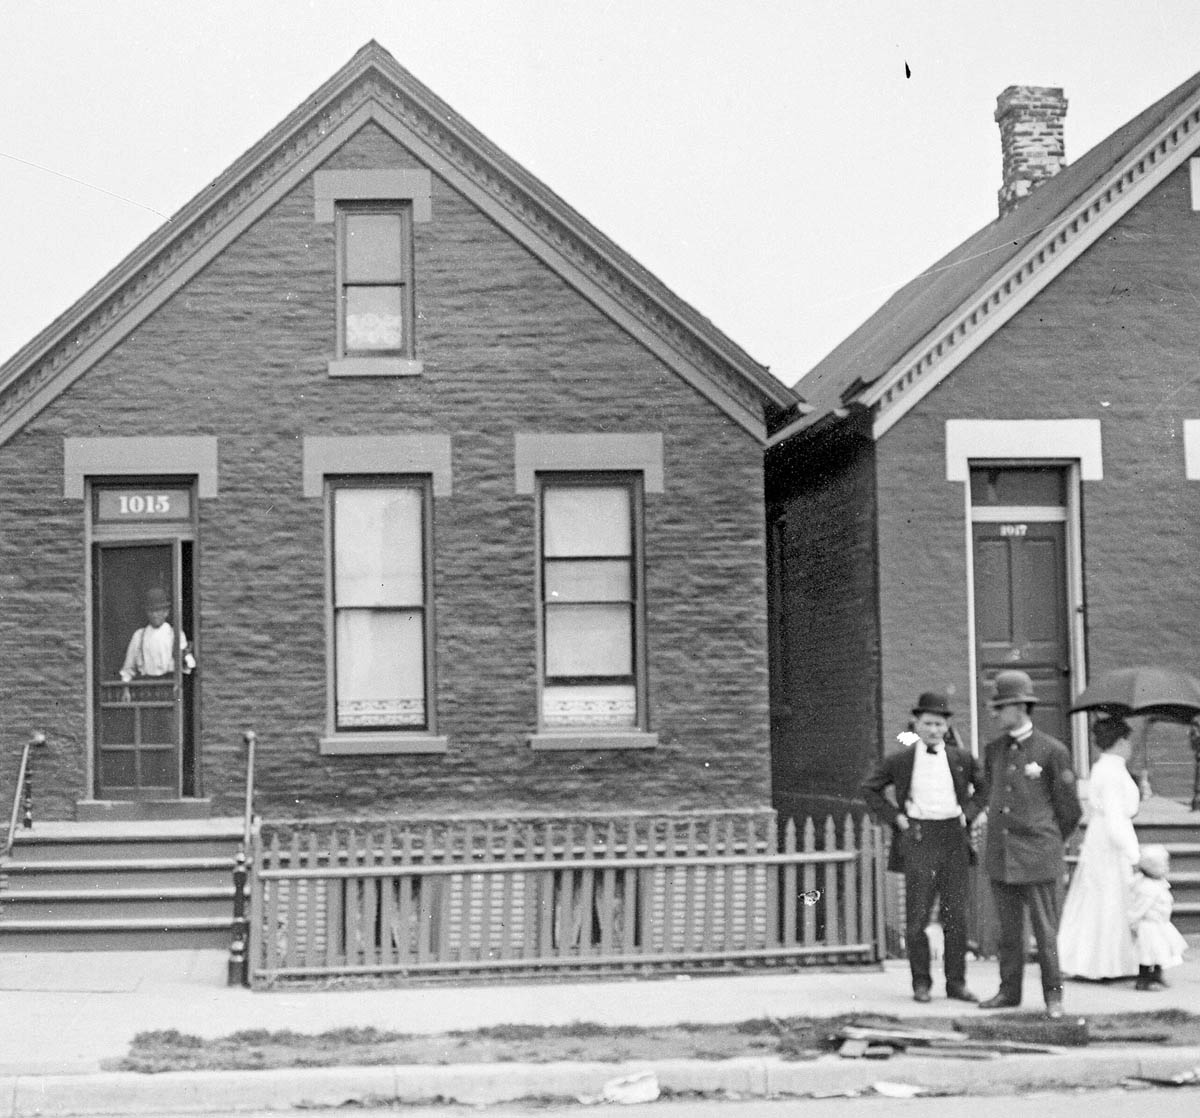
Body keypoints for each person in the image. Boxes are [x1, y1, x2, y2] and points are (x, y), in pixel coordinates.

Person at [861, 691, 988, 1003]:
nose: (934, 730)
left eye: (939, 724)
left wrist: (967, 815)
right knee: (917, 918)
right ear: (915, 725)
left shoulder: (961, 760)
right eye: (928, 723)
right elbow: (870, 789)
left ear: (946, 727)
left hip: (953, 838)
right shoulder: (901, 761)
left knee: (955, 917)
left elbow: (986, 788)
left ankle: (956, 984)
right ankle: (921, 984)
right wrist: (897, 819)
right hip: (919, 838)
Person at [979, 670, 1082, 1019]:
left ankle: (1054, 997)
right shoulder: (994, 750)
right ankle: (1009, 992)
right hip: (1002, 855)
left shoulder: (1052, 751)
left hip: (1038, 856)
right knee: (1008, 934)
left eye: (1000, 707)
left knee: (1045, 932)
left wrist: (1047, 842)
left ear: (1020, 707)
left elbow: (1069, 810)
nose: (994, 714)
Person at [1057, 716, 1141, 980]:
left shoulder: (1104, 767)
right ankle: (1104, 964)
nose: (1130, 745)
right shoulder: (1113, 770)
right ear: (1119, 741)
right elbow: (1116, 817)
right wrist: (1133, 854)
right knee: (1110, 896)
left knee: (1099, 896)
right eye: (1127, 740)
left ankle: (1097, 962)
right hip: (1110, 841)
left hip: (1100, 837)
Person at [1129, 844, 1189, 989]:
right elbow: (1139, 908)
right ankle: (1143, 980)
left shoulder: (1159, 883)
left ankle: (1156, 975)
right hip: (1149, 926)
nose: (1167, 868)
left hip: (1160, 924)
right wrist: (1133, 923)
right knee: (1147, 954)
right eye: (1163, 865)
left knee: (1160, 952)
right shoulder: (1147, 888)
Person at [120, 586, 195, 686]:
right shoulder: (139, 636)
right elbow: (128, 668)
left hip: (170, 685)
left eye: (158, 611)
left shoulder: (175, 634)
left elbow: (187, 665)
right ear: (147, 612)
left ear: (166, 612)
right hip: (147, 685)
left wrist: (187, 659)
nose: (155, 615)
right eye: (151, 611)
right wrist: (125, 687)